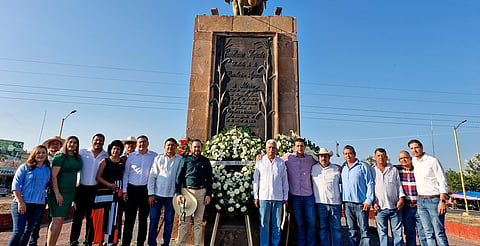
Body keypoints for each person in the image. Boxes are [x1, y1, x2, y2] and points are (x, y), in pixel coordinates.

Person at [408, 139, 449, 246]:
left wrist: (442, 200)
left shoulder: (432, 161)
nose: (414, 150)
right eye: (412, 148)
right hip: (421, 201)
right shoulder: (413, 162)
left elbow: (442, 180)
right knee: (428, 233)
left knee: (439, 232)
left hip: (434, 199)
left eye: (416, 147)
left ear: (421, 147)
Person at [70, 133, 109, 246]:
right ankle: (73, 240)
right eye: (96, 140)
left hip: (96, 190)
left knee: (91, 218)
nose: (98, 142)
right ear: (92, 141)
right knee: (77, 217)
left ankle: (88, 241)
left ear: (103, 142)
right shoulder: (82, 152)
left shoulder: (105, 155)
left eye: (101, 140)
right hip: (81, 189)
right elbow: (68, 154)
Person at [9, 145, 51, 246]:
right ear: (34, 154)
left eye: (43, 153)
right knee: (18, 231)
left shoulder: (48, 169)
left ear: (46, 155)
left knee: (28, 231)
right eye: (38, 153)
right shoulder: (25, 167)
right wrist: (20, 202)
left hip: (38, 205)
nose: (41, 155)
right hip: (22, 203)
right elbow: (15, 185)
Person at [175, 139, 213, 246]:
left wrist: (208, 194)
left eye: (198, 147)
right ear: (191, 148)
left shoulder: (205, 161)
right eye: (195, 147)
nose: (197, 149)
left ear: (201, 148)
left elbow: (209, 179)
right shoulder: (185, 160)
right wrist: (178, 194)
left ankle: (197, 244)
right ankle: (181, 244)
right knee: (184, 221)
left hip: (201, 192)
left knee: (198, 222)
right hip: (187, 192)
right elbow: (179, 178)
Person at [46, 136, 83, 246]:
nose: (72, 144)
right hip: (58, 192)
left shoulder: (78, 158)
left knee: (61, 219)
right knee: (56, 219)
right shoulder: (60, 156)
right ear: (66, 143)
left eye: (75, 143)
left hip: (70, 192)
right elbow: (53, 175)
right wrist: (57, 193)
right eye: (70, 142)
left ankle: (54, 243)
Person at [122, 135, 158, 246]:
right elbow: (126, 174)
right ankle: (126, 243)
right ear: (136, 144)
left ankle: (140, 243)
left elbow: (156, 174)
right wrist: (124, 191)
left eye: (144, 142)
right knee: (129, 219)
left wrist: (152, 193)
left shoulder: (154, 156)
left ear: (148, 143)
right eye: (139, 142)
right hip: (132, 190)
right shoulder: (131, 157)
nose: (141, 144)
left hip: (145, 191)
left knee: (143, 220)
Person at [29, 136, 64, 246]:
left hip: (56, 191)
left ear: (60, 146)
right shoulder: (43, 157)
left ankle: (48, 242)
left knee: (52, 218)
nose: (55, 146)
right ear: (49, 146)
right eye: (53, 144)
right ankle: (33, 241)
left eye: (57, 144)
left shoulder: (62, 158)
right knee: (37, 218)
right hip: (42, 191)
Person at [147, 138, 182, 246]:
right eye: (168, 145)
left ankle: (165, 243)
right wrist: (151, 194)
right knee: (154, 220)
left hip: (172, 196)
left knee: (169, 221)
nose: (170, 147)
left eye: (172, 145)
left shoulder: (180, 159)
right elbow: (152, 176)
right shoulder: (158, 158)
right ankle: (152, 243)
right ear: (164, 147)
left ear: (176, 147)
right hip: (157, 195)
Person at [253, 139, 289, 246]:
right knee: (264, 224)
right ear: (266, 149)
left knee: (276, 225)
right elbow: (256, 180)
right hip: (264, 197)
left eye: (273, 148)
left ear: (276, 149)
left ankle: (275, 244)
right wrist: (256, 196)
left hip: (278, 198)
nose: (271, 150)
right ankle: (264, 244)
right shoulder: (260, 161)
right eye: (269, 147)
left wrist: (285, 196)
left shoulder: (281, 162)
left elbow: (284, 181)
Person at [281, 138, 316, 246]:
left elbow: (322, 165)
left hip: (308, 196)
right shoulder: (288, 158)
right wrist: (260, 158)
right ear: (294, 147)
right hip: (295, 196)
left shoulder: (310, 159)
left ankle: (311, 244)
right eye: (298, 146)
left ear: (305, 147)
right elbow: (274, 161)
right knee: (299, 223)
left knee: (311, 222)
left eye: (302, 146)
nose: (300, 148)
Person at [92, 140, 126, 245]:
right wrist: (109, 185)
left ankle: (112, 240)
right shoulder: (105, 161)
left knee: (115, 218)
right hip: (104, 193)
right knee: (103, 218)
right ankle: (102, 240)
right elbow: (98, 177)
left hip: (117, 194)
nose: (116, 150)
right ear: (110, 149)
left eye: (118, 149)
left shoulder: (123, 161)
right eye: (114, 148)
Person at [341, 145, 374, 246]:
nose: (348, 156)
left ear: (354, 154)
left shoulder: (363, 166)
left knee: (364, 231)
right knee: (351, 230)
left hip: (361, 204)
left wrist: (368, 200)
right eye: (346, 154)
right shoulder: (343, 167)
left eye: (350, 153)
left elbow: (370, 183)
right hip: (347, 204)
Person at [372, 148, 405, 246]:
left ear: (386, 157)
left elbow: (399, 185)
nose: (381, 158)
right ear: (375, 158)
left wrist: (401, 199)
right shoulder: (372, 170)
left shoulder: (393, 169)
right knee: (382, 234)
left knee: (398, 234)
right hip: (379, 208)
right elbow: (369, 188)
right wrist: (373, 202)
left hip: (395, 207)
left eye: (382, 156)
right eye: (378, 156)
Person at [311, 148, 342, 246]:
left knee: (336, 229)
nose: (323, 158)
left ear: (329, 157)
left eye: (325, 156)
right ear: (318, 157)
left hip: (335, 204)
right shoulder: (313, 168)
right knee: (322, 228)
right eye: (321, 156)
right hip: (320, 203)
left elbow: (344, 184)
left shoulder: (336, 169)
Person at [396, 151, 427, 246]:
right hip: (406, 207)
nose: (403, 160)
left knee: (423, 232)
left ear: (410, 158)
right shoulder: (398, 172)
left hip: (419, 206)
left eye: (405, 157)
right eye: (401, 159)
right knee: (409, 233)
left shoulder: (417, 169)